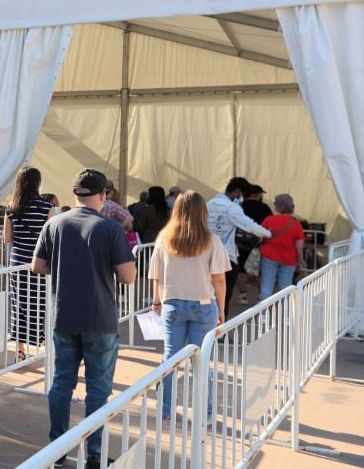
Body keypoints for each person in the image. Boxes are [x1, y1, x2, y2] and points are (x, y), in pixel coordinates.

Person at [32, 169, 136, 469]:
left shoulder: (54, 224)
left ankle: (57, 449)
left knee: (61, 383)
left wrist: (67, 268)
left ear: (75, 193)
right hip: (100, 318)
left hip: (63, 315)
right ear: (103, 195)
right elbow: (128, 276)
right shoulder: (110, 228)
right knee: (98, 390)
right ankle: (95, 453)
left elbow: (37, 266)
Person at [148, 190, 228, 420]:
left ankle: (165, 410)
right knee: (201, 361)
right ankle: (205, 412)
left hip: (172, 303)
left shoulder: (164, 237)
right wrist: (221, 308)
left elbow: (156, 274)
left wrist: (156, 300)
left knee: (170, 358)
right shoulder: (211, 240)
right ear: (203, 211)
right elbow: (219, 279)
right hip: (203, 304)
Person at [3, 166, 55, 360]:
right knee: (41, 304)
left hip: (17, 262)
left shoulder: (11, 208)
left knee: (19, 305)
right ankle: (43, 342)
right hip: (39, 262)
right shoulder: (47, 207)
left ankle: (20, 349)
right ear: (37, 183)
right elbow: (50, 238)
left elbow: (7, 238)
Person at [207, 177, 271, 318]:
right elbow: (249, 225)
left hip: (205, 256)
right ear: (237, 192)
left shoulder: (209, 204)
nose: (242, 199)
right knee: (223, 295)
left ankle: (206, 331)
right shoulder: (232, 208)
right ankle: (219, 330)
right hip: (226, 258)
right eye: (243, 196)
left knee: (208, 294)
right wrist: (268, 233)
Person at [258, 194, 305, 302]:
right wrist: (300, 261)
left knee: (266, 287)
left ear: (277, 206)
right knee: (285, 288)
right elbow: (299, 246)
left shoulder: (269, 220)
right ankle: (285, 316)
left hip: (269, 257)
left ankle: (263, 315)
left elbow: (260, 238)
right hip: (289, 259)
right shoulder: (296, 224)